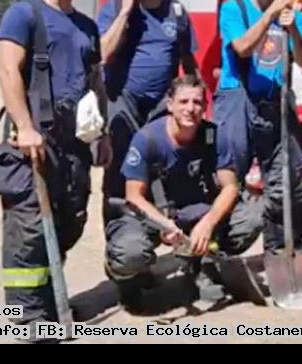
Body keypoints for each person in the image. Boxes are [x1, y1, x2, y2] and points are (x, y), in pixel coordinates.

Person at [0, 0, 111, 338]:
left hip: (73, 143)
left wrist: (103, 133)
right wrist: (24, 126)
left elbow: (95, 82)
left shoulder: (87, 26)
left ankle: (49, 300)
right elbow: (8, 69)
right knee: (29, 228)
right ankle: (28, 316)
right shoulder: (23, 14)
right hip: (34, 140)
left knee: (69, 221)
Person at [104, 74, 261, 310]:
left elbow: (230, 186)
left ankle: (203, 265)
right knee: (130, 252)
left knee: (251, 216)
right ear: (170, 105)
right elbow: (133, 196)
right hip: (151, 217)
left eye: (197, 102)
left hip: (195, 213)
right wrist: (164, 224)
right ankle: (127, 279)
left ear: (205, 107)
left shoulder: (214, 136)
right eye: (183, 102)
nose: (190, 109)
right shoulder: (147, 139)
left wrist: (208, 224)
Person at [213, 0, 302, 254]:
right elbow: (242, 47)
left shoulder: (292, 14)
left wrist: (292, 27)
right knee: (229, 179)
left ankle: (279, 251)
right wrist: (270, 15)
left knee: (286, 183)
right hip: (237, 98)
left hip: (276, 101)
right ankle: (215, 252)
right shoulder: (233, 8)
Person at [97, 0, 200, 225]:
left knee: (160, 166)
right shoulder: (114, 8)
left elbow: (188, 60)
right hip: (123, 100)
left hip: (161, 105)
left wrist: (197, 96)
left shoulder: (176, 12)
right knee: (120, 167)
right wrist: (125, 12)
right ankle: (118, 230)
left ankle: (157, 226)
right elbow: (103, 54)